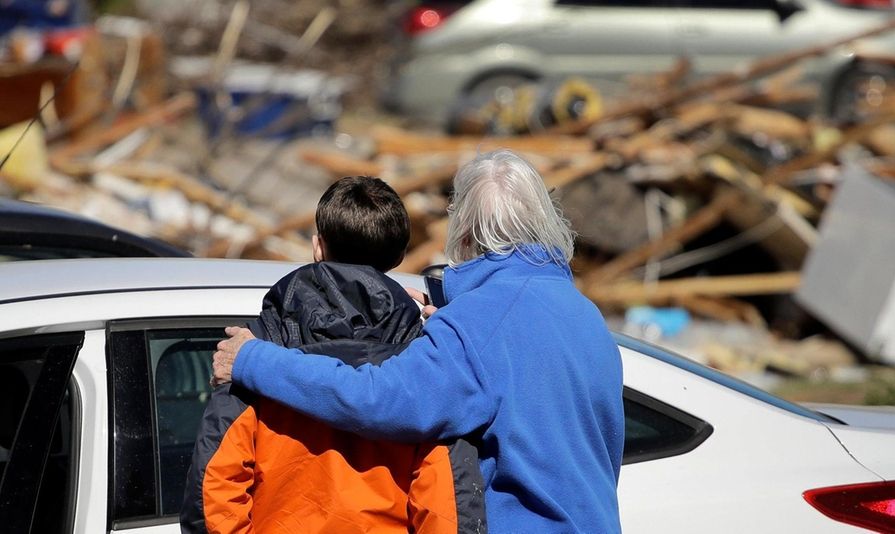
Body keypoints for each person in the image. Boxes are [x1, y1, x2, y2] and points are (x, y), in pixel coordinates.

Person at [212, 150, 625, 533]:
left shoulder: (478, 325)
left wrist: (253, 360)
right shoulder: (583, 315)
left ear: (463, 235)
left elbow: (376, 398)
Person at [181, 176, 485, 534]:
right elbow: (447, 506)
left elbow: (214, 488)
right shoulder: (424, 359)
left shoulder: (254, 349)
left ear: (317, 247)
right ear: (400, 255)